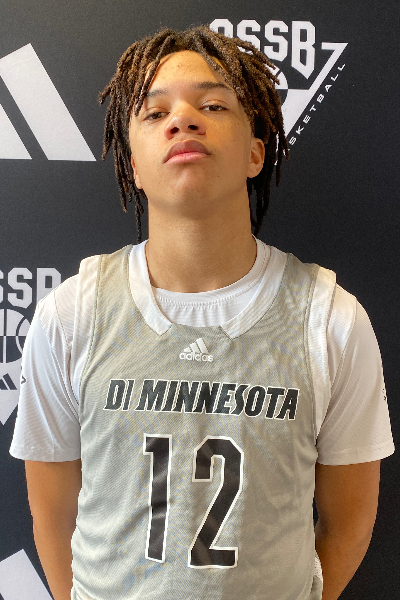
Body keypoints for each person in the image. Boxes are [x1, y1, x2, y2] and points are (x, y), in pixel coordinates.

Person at [10, 25, 394, 600]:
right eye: (155, 112)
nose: (183, 119)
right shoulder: (72, 313)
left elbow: (348, 521)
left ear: (255, 153)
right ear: (134, 167)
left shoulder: (331, 319)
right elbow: (53, 511)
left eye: (213, 105)